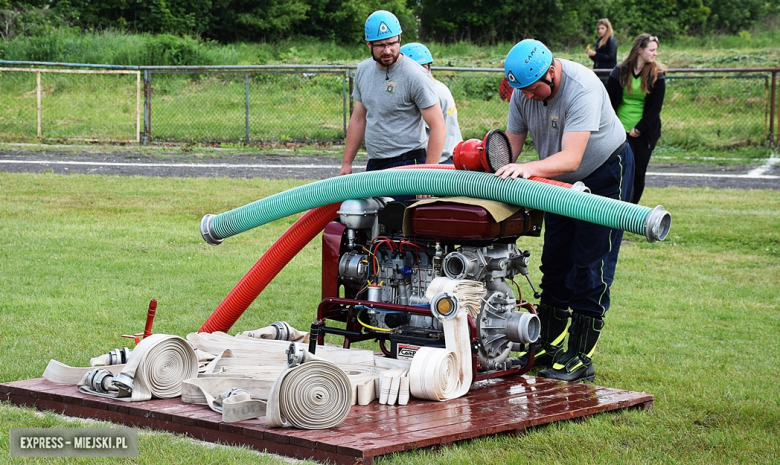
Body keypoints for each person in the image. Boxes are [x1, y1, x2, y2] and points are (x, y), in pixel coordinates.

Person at [496, 39, 635, 382]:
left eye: (531, 89)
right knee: (555, 262)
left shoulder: (582, 87)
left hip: (604, 173)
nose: (526, 97)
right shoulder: (523, 92)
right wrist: (495, 167)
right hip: (558, 181)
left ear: (551, 73)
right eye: (521, 91)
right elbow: (510, 148)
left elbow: (572, 158)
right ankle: (549, 343)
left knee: (590, 264)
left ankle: (581, 357)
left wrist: (529, 168)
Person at [339, 10, 445, 176]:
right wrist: (347, 163)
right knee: (359, 203)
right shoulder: (363, 71)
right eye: (381, 45)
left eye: (392, 44)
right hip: (374, 163)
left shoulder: (415, 75)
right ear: (369, 44)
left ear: (400, 39)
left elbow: (438, 125)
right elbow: (358, 119)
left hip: (409, 162)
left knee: (398, 204)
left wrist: (428, 175)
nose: (387, 51)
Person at [607, 34, 666, 204]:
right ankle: (615, 206)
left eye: (656, 50)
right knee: (618, 172)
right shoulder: (620, 71)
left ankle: (631, 211)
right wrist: (615, 126)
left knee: (638, 173)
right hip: (619, 130)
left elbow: (655, 108)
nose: (655, 54)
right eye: (652, 50)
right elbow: (609, 101)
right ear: (640, 50)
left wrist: (638, 129)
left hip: (643, 132)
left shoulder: (657, 75)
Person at [399, 42, 463, 163]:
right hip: (452, 156)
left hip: (438, 160)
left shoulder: (428, 94)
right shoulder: (441, 87)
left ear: (423, 68)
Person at [586, 18, 618, 83]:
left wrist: (595, 54)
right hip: (598, 71)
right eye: (598, 29)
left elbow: (610, 57)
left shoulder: (611, 40)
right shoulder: (600, 40)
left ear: (607, 28)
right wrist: (592, 55)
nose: (600, 30)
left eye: (602, 28)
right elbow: (598, 59)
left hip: (608, 72)